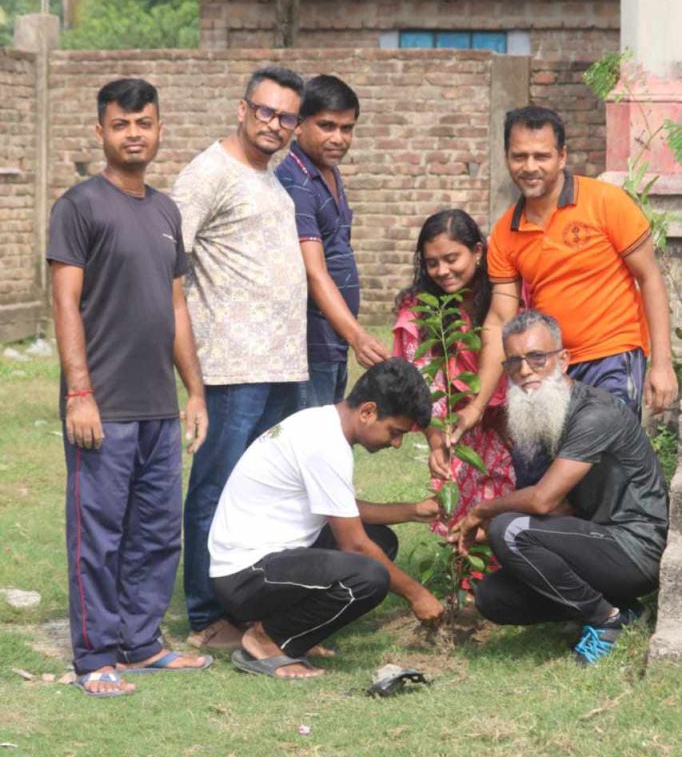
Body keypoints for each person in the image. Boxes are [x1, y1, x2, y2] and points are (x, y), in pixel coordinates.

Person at [48, 78, 210, 699]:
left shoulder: (166, 211)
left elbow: (176, 308)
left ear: (160, 127)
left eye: (143, 122)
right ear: (101, 132)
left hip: (157, 408)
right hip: (103, 407)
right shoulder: (80, 206)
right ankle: (94, 657)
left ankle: (140, 643)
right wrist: (78, 393)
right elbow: (65, 304)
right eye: (121, 124)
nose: (134, 134)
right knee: (99, 534)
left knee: (157, 530)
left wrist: (193, 392)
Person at [172, 65, 309, 651]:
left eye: (287, 117)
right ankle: (206, 615)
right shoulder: (208, 173)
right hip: (230, 368)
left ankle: (254, 610)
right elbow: (166, 267)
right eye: (266, 112)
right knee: (214, 490)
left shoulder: (270, 178)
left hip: (282, 366)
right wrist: (190, 369)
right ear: (242, 109)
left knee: (264, 496)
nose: (275, 124)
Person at [455, 105, 677, 454]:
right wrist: (476, 405)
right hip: (550, 366)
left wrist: (662, 364)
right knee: (546, 467)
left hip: (613, 357)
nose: (530, 167)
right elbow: (499, 321)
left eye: (541, 156)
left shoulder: (605, 202)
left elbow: (650, 278)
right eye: (520, 156)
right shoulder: (505, 234)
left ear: (562, 156)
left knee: (605, 465)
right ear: (506, 157)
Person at [209, 358, 444, 679]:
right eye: (395, 432)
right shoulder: (325, 445)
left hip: (265, 563)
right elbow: (354, 545)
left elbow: (342, 508)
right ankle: (267, 640)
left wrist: (413, 511)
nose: (396, 443)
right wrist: (417, 594)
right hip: (245, 575)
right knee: (369, 574)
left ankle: (293, 631)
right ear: (368, 412)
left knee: (381, 541)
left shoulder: (320, 424)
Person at [458, 310, 668, 665]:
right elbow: (564, 510)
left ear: (564, 360)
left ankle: (604, 621)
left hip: (636, 549)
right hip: (596, 541)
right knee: (494, 597)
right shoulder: (549, 413)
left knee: (511, 529)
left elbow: (543, 501)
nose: (525, 371)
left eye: (537, 357)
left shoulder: (596, 414)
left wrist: (480, 511)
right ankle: (621, 607)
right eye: (514, 362)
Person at [393, 209, 515, 526]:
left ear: (477, 251)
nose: (442, 270)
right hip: (453, 428)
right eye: (432, 262)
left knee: (510, 504)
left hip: (509, 420)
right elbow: (425, 386)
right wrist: (438, 444)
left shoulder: (503, 296)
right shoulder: (420, 309)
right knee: (461, 508)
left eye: (451, 259)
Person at [275, 74, 389, 407]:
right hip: (310, 346)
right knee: (309, 446)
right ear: (298, 124)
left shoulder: (327, 172)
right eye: (326, 126)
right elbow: (314, 272)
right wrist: (358, 337)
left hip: (333, 340)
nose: (338, 138)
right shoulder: (295, 183)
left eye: (347, 128)